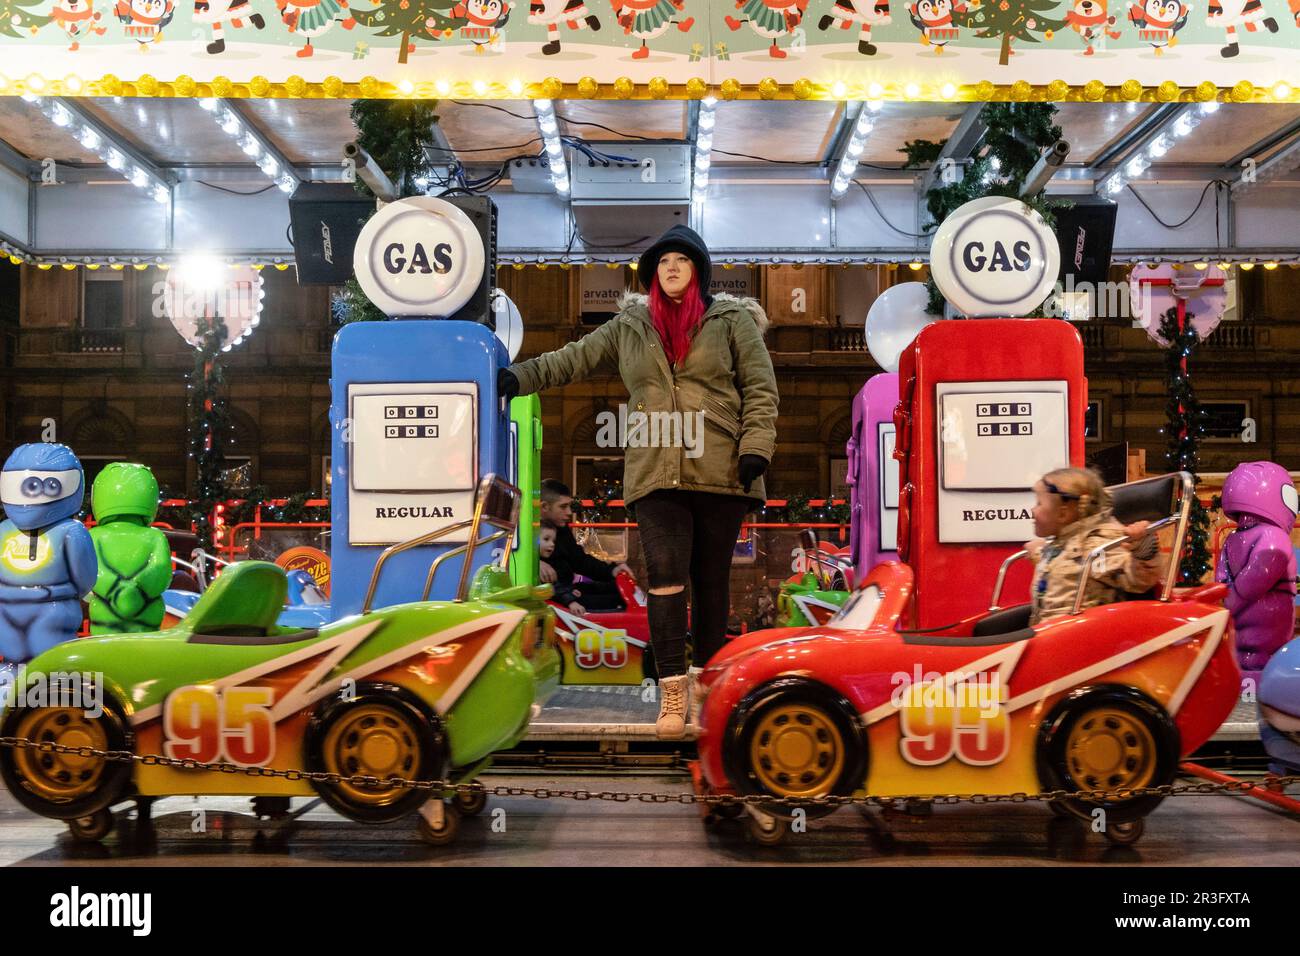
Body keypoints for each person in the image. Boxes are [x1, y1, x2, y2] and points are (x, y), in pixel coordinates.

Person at [499, 224, 779, 738]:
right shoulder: (631, 326)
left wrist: (755, 449)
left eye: (682, 260)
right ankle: (673, 692)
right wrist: (521, 376)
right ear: (652, 276)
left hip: (721, 468)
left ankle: (707, 691)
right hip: (655, 471)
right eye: (662, 261)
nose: (671, 267)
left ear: (698, 272)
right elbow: (573, 358)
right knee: (668, 579)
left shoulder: (731, 319)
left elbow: (761, 388)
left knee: (712, 584)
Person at [1025, 467, 1164, 626]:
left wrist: (1143, 548)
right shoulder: (1061, 543)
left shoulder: (1094, 548)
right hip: (1047, 632)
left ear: (1063, 514)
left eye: (1038, 503)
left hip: (1076, 637)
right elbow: (1063, 569)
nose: (1032, 510)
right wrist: (1039, 553)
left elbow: (1135, 579)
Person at [539, 517, 625, 614]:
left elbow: (579, 562)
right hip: (561, 605)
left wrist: (570, 591)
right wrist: (571, 601)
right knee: (606, 600)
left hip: (568, 593)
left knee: (599, 587)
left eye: (554, 541)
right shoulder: (540, 566)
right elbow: (554, 587)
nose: (552, 544)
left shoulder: (549, 559)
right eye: (546, 539)